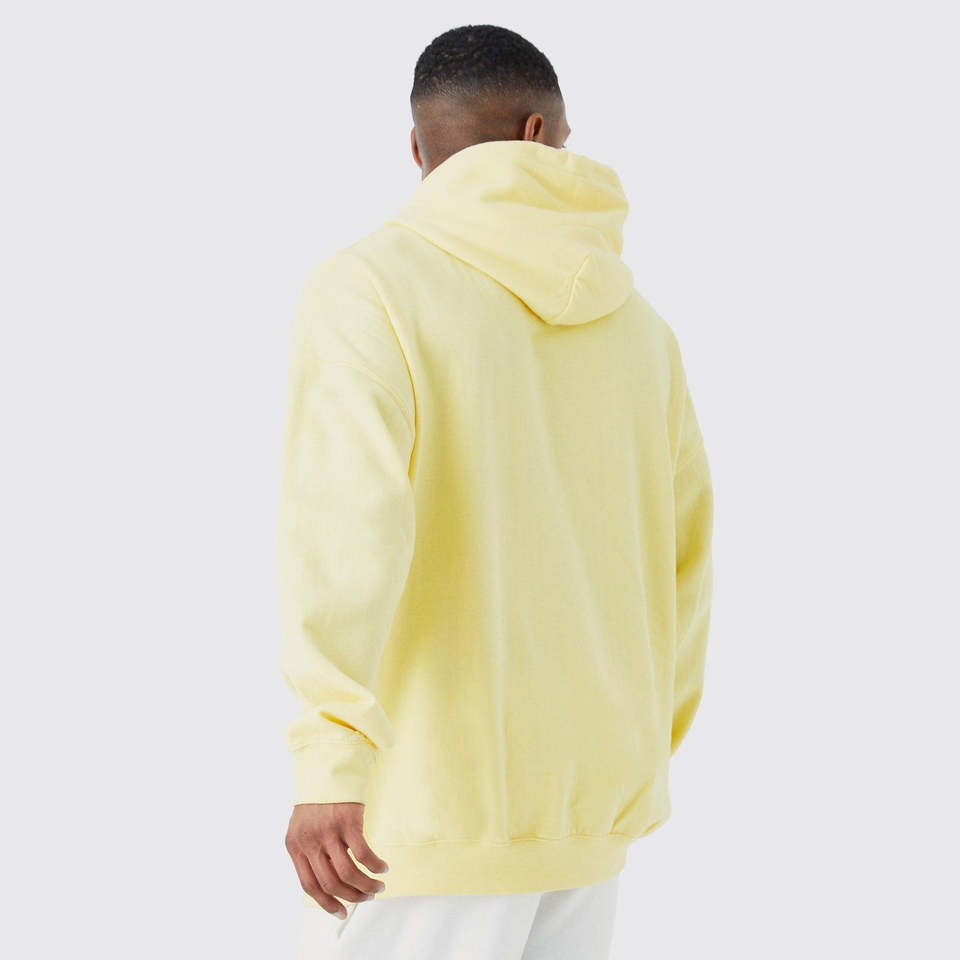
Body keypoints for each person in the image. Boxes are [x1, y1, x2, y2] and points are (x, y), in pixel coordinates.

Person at [278, 23, 714, 960]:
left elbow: (345, 534)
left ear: (417, 149)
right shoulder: (642, 331)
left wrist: (330, 760)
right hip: (593, 811)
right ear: (540, 133)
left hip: (430, 820)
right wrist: (633, 747)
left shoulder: (371, 288)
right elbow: (686, 563)